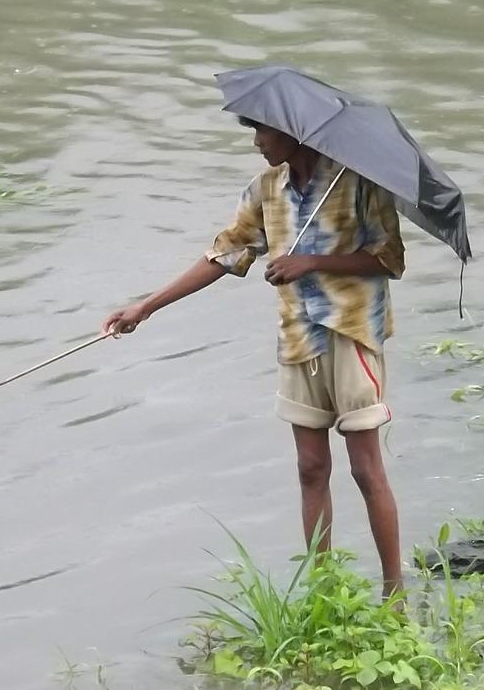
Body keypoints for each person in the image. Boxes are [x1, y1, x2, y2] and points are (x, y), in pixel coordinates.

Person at [101, 117, 407, 597]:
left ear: (294, 133)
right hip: (297, 337)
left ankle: (395, 593)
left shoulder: (356, 182)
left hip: (351, 333)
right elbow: (224, 255)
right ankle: (323, 594)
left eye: (263, 132)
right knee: (310, 468)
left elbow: (390, 258)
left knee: (365, 468)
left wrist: (313, 261)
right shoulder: (266, 189)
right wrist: (147, 306)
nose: (257, 142)